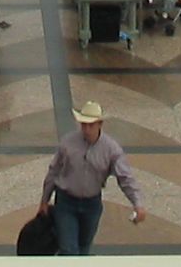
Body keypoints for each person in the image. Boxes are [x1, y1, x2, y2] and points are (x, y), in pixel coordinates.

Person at [38, 100, 144, 254]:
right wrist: (44, 201)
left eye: (91, 125)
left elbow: (125, 178)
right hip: (66, 202)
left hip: (91, 204)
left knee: (83, 247)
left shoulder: (111, 149)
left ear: (100, 124)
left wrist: (137, 203)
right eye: (83, 125)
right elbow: (54, 172)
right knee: (69, 250)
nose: (87, 129)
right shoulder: (68, 143)